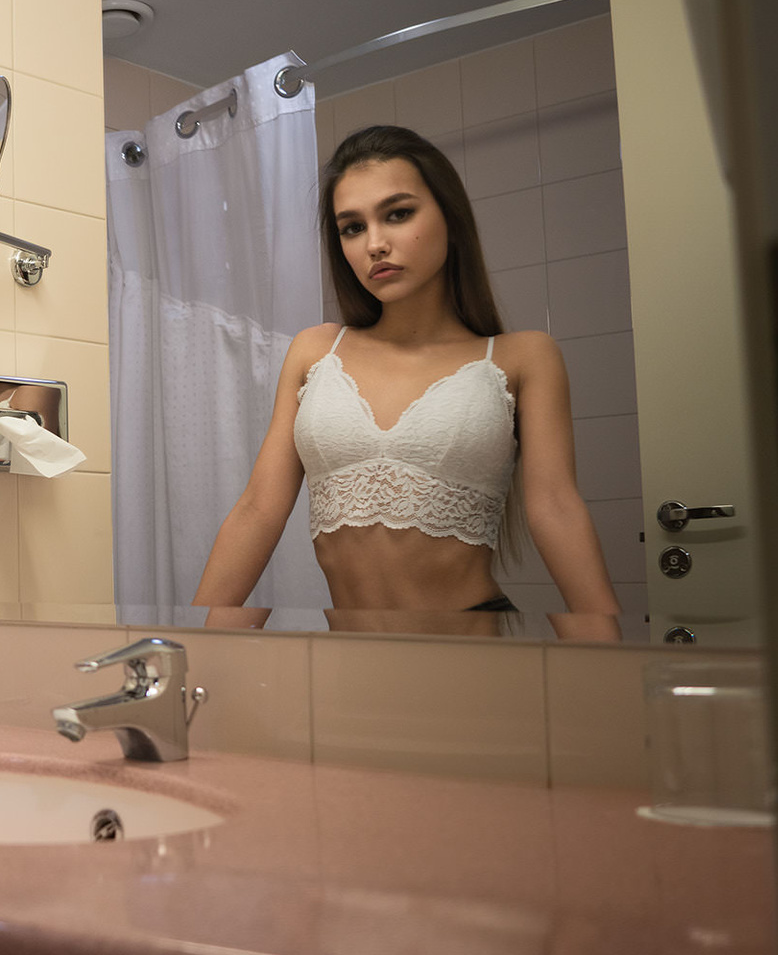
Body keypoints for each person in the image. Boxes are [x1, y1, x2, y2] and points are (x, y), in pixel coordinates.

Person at [191, 125, 621, 633]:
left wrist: (606, 653)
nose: (375, 244)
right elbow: (258, 510)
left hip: (473, 652)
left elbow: (556, 508)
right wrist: (183, 644)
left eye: (398, 214)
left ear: (450, 218)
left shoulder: (521, 358)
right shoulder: (315, 351)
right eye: (352, 227)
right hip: (350, 661)